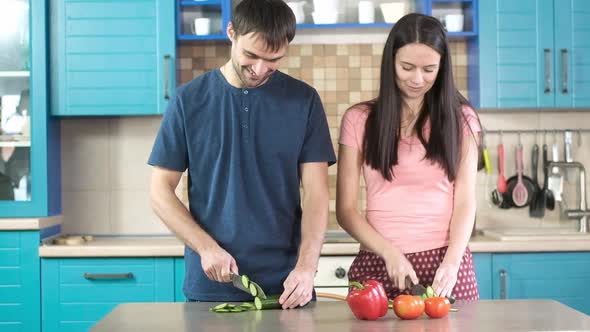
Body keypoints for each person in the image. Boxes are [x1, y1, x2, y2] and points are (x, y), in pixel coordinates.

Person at [148, 0, 335, 308]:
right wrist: (206, 248)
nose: (260, 69)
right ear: (231, 33)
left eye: (273, 59)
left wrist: (306, 267)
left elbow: (317, 193)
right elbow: (159, 191)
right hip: (211, 284)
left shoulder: (304, 101)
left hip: (287, 288)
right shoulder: (187, 101)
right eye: (251, 55)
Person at [336, 13, 482, 301]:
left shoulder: (462, 119)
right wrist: (390, 253)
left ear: (442, 68)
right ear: (391, 63)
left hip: (447, 265)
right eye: (407, 67)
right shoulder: (358, 120)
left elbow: (465, 200)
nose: (417, 79)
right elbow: (346, 210)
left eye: (429, 69)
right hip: (380, 261)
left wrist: (452, 263)